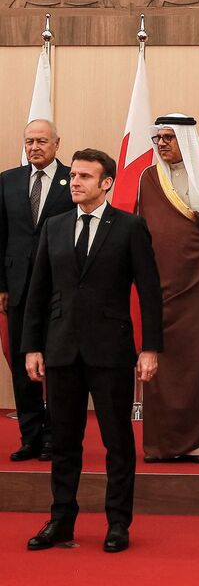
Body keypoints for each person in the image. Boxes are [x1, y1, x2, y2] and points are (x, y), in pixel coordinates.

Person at [22, 149, 163, 553]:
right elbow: (38, 292)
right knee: (64, 442)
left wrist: (150, 347)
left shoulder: (130, 227)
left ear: (107, 183)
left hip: (112, 352)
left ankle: (118, 523)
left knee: (117, 441)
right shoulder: (54, 226)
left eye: (85, 176)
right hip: (61, 349)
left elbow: (150, 293)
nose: (74, 182)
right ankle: (61, 521)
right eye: (73, 176)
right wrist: (32, 346)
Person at [136, 114, 199, 463]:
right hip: (162, 287)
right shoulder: (149, 178)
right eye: (158, 137)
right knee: (164, 362)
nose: (162, 143)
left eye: (169, 136)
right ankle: (164, 442)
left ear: (186, 138)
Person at [0, 119, 73, 461]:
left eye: (41, 141)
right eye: (29, 141)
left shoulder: (72, 179)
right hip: (18, 288)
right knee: (21, 361)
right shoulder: (8, 181)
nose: (34, 147)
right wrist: (1, 285)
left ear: (57, 143)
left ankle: (54, 437)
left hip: (59, 288)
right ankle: (30, 436)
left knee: (56, 363)